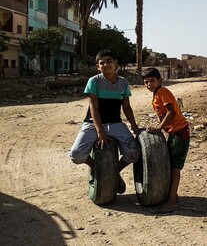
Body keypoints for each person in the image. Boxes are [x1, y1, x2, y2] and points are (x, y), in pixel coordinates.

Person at [69, 49, 141, 194]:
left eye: (109, 61)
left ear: (116, 64)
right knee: (76, 154)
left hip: (115, 124)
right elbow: (93, 108)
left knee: (133, 153)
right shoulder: (94, 81)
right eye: (102, 63)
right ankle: (96, 168)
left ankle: (113, 173)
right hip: (92, 124)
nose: (106, 64)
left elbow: (126, 106)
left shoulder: (123, 82)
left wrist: (134, 126)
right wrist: (100, 131)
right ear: (98, 67)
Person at [141, 67, 190, 213]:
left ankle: (171, 201)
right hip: (175, 133)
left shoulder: (162, 92)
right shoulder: (156, 94)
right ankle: (172, 195)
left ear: (160, 80)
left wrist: (159, 127)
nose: (150, 84)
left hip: (180, 132)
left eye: (152, 81)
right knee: (169, 163)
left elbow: (171, 112)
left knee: (175, 166)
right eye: (146, 82)